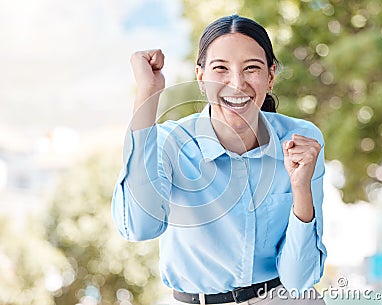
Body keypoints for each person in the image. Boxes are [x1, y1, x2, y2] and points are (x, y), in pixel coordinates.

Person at [112, 15, 327, 304]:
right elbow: (140, 227)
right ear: (201, 77)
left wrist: (301, 188)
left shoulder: (300, 139)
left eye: (251, 68)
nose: (237, 83)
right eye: (220, 69)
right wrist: (147, 96)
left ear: (271, 76)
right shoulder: (168, 143)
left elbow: (299, 279)